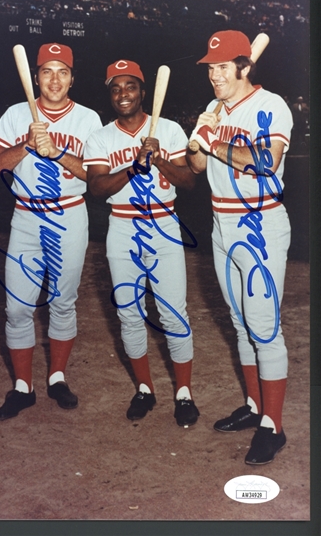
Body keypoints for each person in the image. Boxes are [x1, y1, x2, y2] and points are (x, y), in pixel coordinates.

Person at [186, 30, 293, 464]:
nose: (214, 75)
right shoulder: (214, 109)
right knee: (239, 321)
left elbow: (267, 162)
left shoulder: (272, 106)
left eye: (223, 67)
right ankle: (255, 407)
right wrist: (199, 135)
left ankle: (274, 426)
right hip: (221, 223)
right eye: (210, 67)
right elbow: (195, 166)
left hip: (259, 222)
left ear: (244, 67)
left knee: (264, 326)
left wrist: (214, 142)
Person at [0, 43, 102, 420]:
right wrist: (25, 145)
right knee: (17, 305)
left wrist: (56, 153)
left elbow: (96, 176)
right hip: (26, 216)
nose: (55, 80)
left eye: (62, 72)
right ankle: (23, 386)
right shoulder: (16, 114)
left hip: (70, 215)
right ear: (36, 77)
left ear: (72, 78)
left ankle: (56, 377)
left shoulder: (87, 119)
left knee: (62, 301)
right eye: (47, 72)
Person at [83, 59, 199, 427]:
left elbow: (190, 182)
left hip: (164, 225)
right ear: (110, 95)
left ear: (142, 91)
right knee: (129, 313)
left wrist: (160, 159)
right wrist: (133, 166)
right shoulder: (101, 137)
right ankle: (145, 389)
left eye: (130, 86)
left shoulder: (169, 128)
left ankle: (183, 393)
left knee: (173, 312)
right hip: (123, 228)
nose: (123, 94)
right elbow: (97, 188)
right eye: (115, 88)